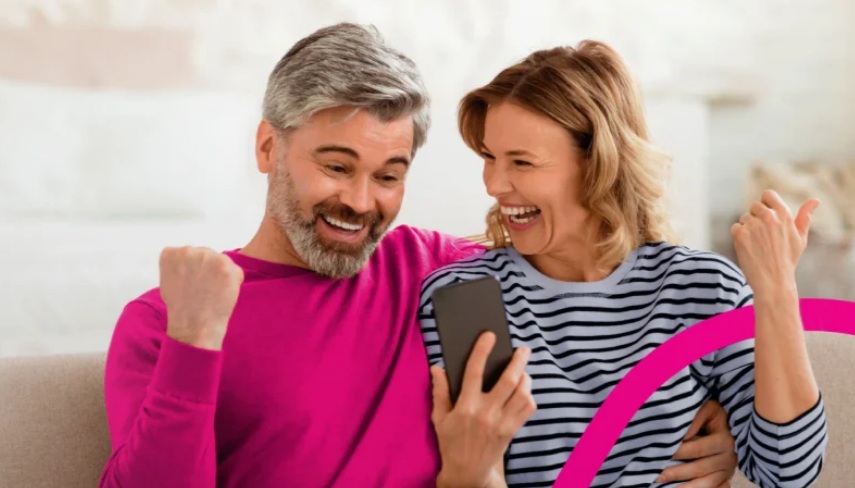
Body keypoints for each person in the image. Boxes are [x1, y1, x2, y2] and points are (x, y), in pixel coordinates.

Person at [100, 24, 739, 488]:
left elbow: (598, 275)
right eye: (336, 166)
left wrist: (725, 421)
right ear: (269, 147)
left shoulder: (439, 272)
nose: (360, 202)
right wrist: (195, 342)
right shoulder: (166, 321)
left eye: (388, 175)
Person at [419, 41, 828, 487]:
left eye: (522, 162)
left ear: (601, 165)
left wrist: (777, 289)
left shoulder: (704, 287)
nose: (494, 184)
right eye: (489, 157)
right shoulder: (466, 298)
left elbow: (787, 473)